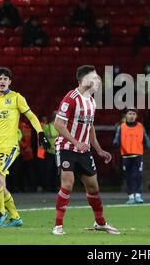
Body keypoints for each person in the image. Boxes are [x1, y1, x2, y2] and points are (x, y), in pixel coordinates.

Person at [0, 67, 50, 228]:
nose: (2, 81)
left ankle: (1, 212)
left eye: (5, 79)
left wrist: (40, 132)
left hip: (9, 147)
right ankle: (15, 217)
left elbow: (31, 115)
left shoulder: (16, 98)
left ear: (10, 82)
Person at [52, 65, 120, 235]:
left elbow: (89, 127)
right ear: (85, 79)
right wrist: (76, 142)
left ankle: (100, 222)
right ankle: (58, 225)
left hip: (84, 150)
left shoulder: (91, 100)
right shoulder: (71, 98)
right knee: (68, 183)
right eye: (94, 77)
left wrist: (98, 149)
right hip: (66, 147)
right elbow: (58, 124)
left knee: (93, 187)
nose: (97, 80)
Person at [113, 108, 150, 204]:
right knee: (128, 177)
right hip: (126, 156)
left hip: (137, 155)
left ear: (136, 116)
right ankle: (130, 196)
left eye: (134, 114)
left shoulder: (140, 127)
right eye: (130, 113)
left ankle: (138, 195)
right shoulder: (121, 127)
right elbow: (116, 140)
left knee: (138, 176)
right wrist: (116, 143)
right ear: (126, 115)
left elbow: (146, 139)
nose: (132, 116)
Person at [44, 111, 60, 192]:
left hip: (56, 152)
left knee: (54, 170)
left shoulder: (60, 126)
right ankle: (50, 186)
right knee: (51, 170)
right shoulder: (48, 127)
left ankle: (54, 186)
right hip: (51, 152)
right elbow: (44, 139)